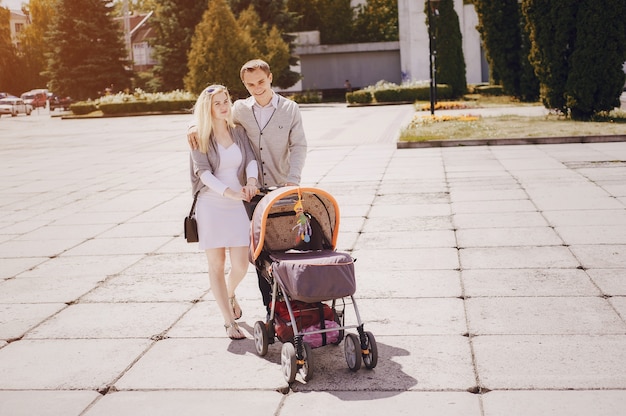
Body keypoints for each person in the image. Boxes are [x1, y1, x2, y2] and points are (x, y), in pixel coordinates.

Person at [188, 59, 307, 313]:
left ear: (270, 78)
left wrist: (293, 179)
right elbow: (212, 114)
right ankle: (270, 310)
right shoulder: (240, 109)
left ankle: (291, 302)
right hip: (249, 194)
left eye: (261, 82)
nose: (257, 88)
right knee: (259, 256)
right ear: (244, 84)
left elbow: (299, 146)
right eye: (250, 84)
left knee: (281, 249)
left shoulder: (290, 109)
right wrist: (193, 127)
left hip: (279, 188)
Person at [189, 84, 260, 340]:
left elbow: (251, 159)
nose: (223, 106)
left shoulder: (237, 132)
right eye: (216, 103)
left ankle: (229, 293)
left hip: (237, 203)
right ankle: (229, 322)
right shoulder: (199, 136)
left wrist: (251, 182)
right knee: (216, 264)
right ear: (207, 108)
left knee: (241, 265)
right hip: (212, 204)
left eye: (225, 101)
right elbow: (203, 173)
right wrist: (229, 192)